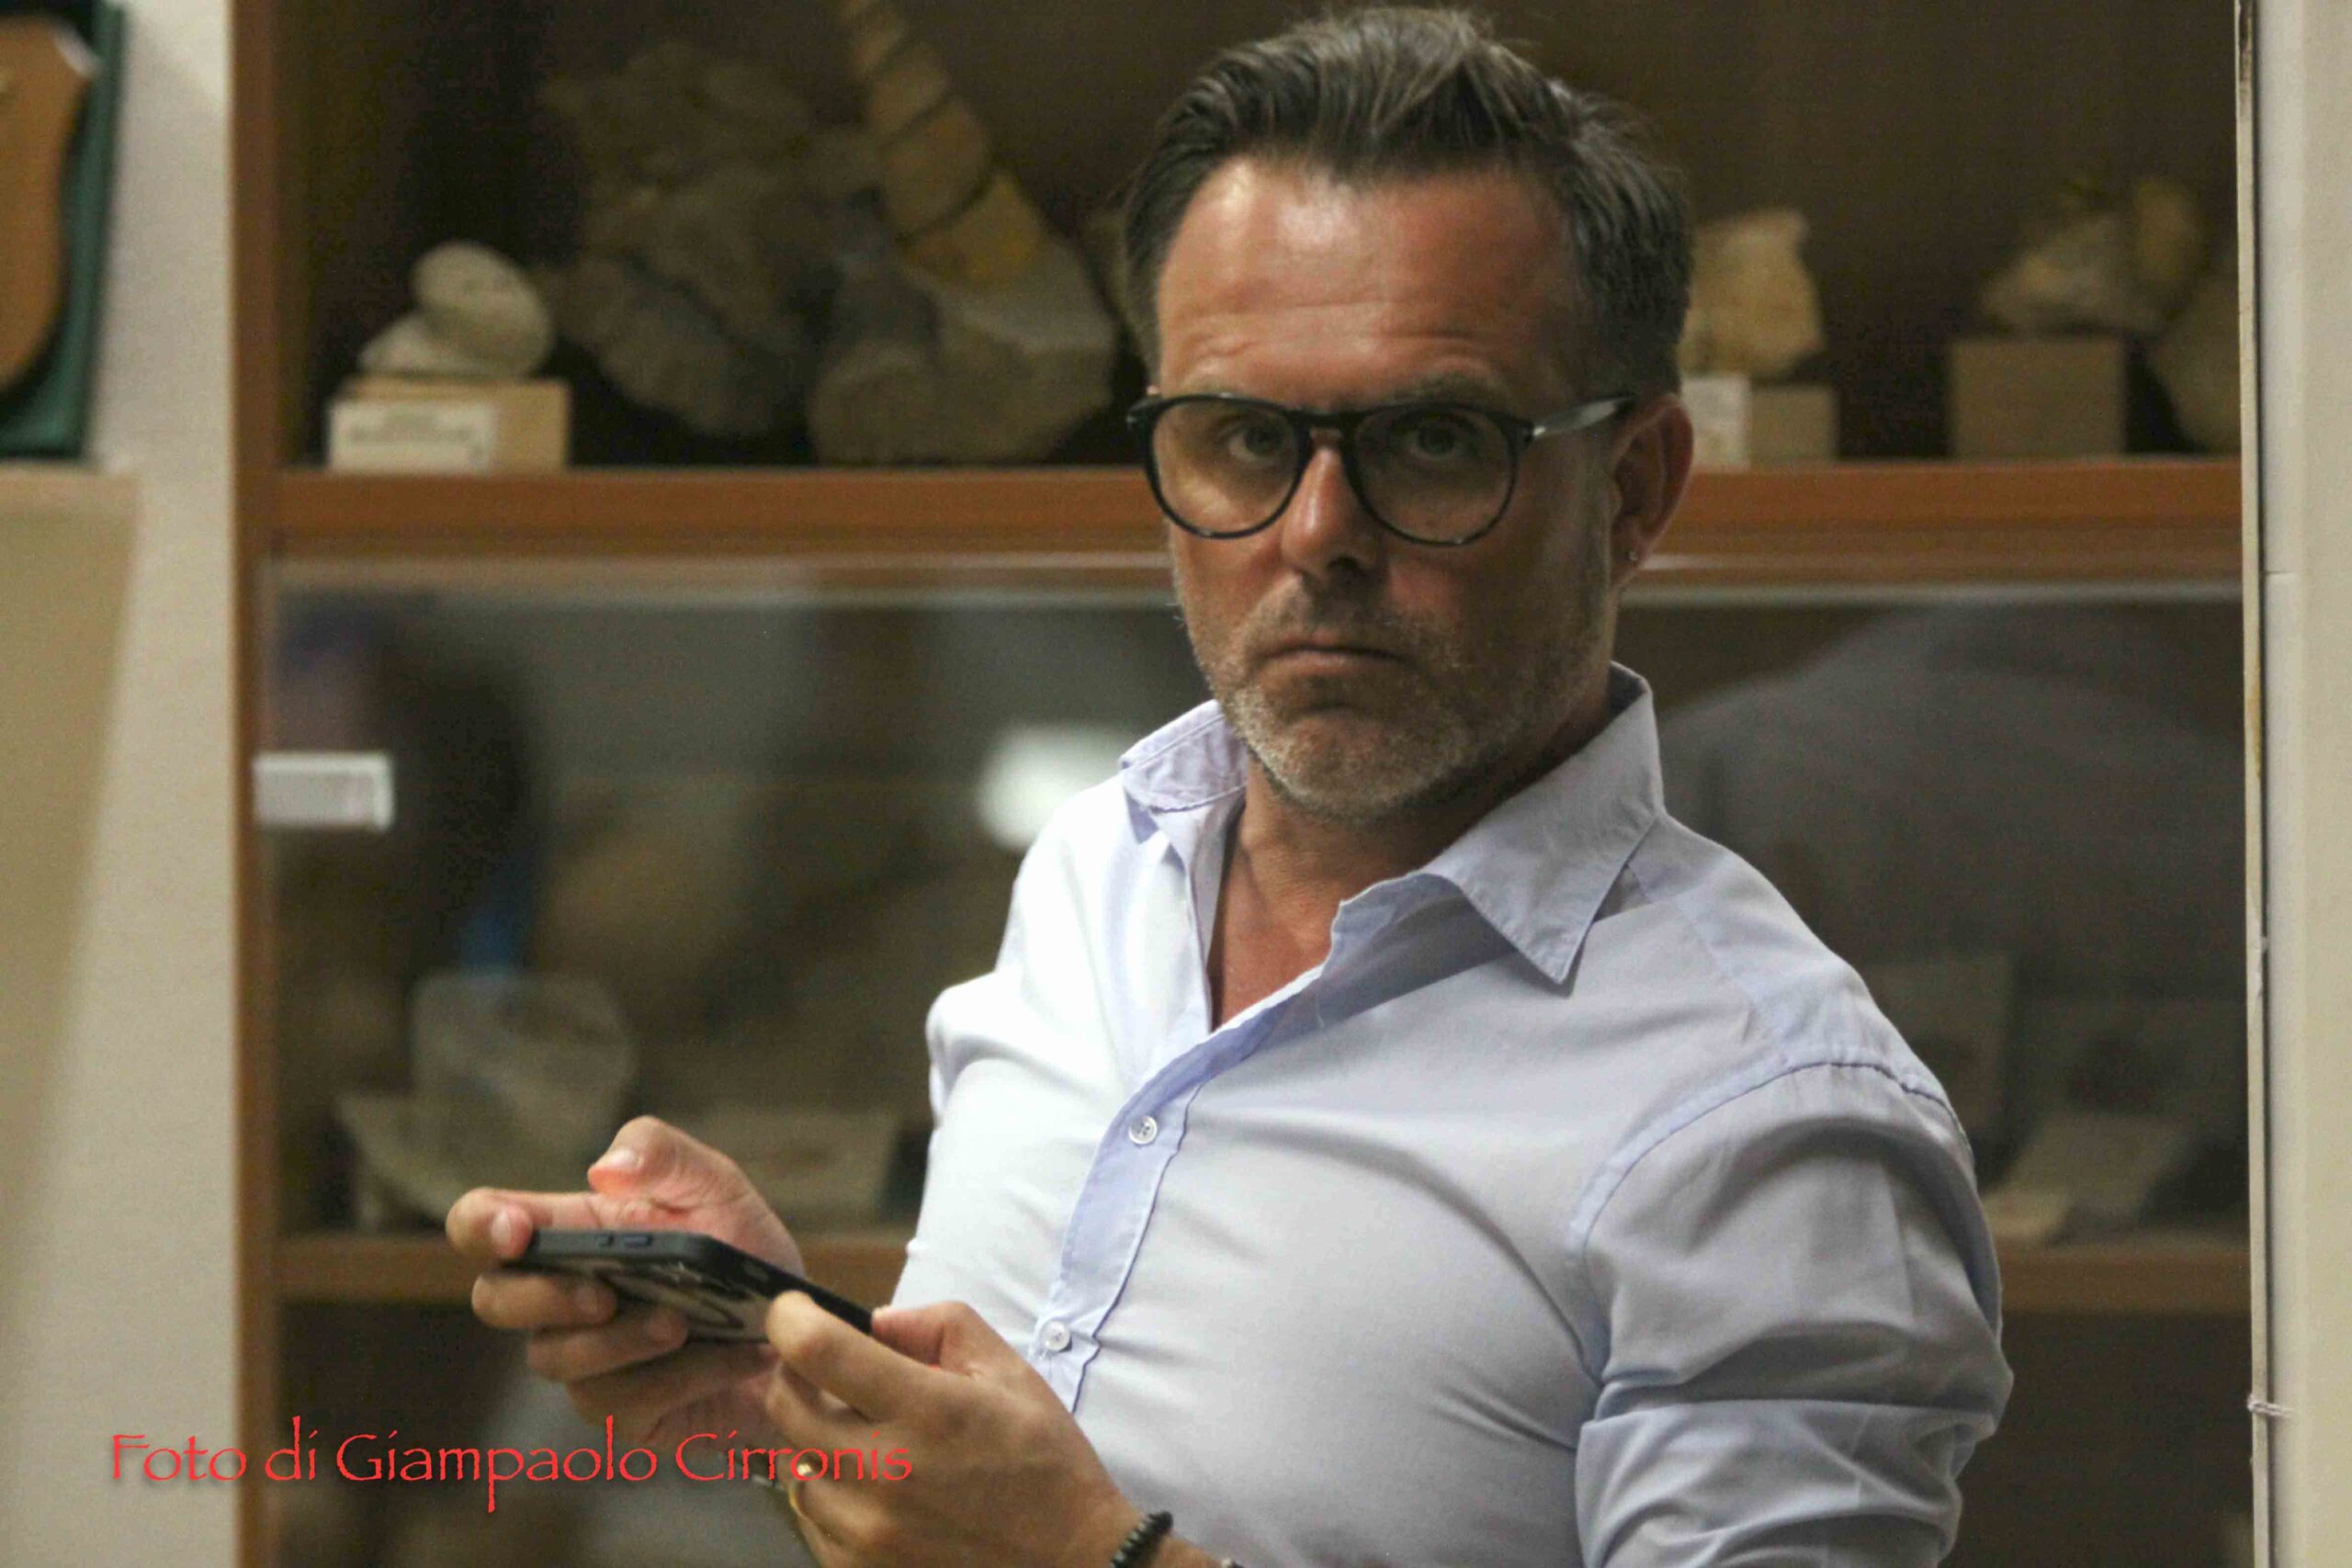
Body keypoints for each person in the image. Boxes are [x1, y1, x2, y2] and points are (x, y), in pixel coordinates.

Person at [449, 8, 2012, 1564]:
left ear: (1635, 489)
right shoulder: (1100, 866)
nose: (1318, 533)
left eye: (1434, 441)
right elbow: (997, 1518)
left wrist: (1095, 1561)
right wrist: (789, 1382)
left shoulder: (1771, 1124)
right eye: (1245, 437)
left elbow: (1063, 1540)